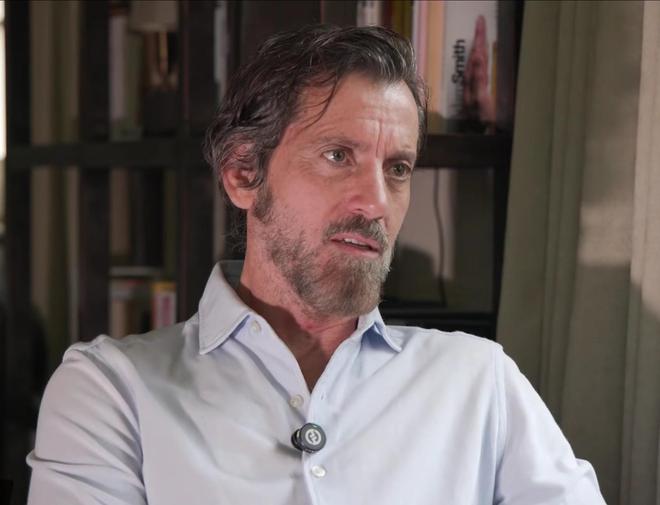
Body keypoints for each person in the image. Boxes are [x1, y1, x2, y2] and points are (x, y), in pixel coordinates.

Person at [26, 25, 606, 504]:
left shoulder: (479, 381)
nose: (376, 203)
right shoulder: (113, 391)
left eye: (398, 169)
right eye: (337, 155)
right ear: (243, 173)